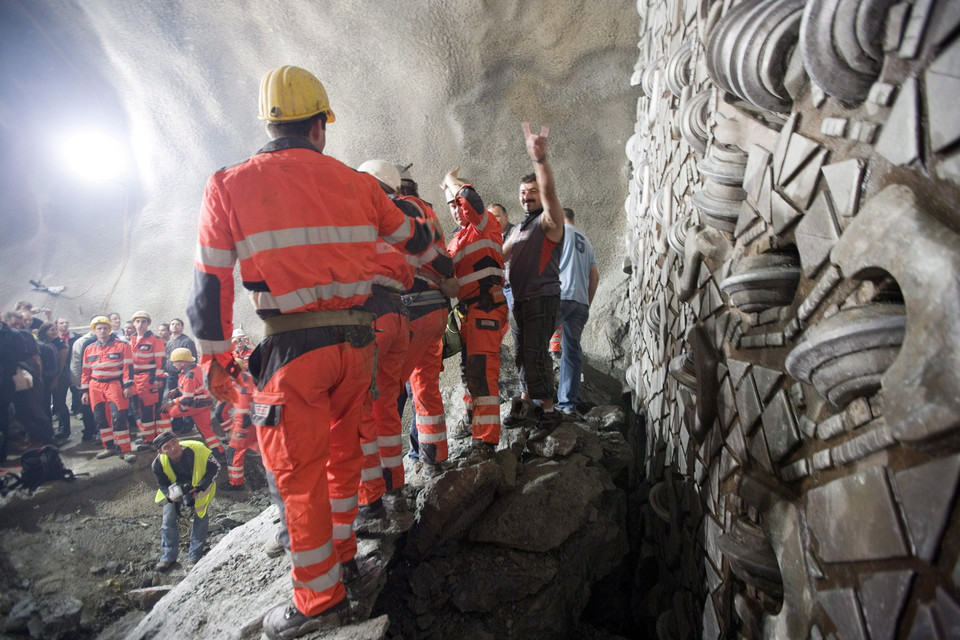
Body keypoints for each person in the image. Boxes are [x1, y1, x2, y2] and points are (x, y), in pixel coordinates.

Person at [185, 65, 438, 639]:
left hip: (291, 350)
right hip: (355, 345)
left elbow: (210, 280)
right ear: (321, 126)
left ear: (270, 125)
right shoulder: (359, 185)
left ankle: (318, 600)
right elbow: (420, 246)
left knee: (298, 479)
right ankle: (345, 559)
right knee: (343, 458)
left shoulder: (228, 184)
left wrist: (214, 357)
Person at [354, 160, 454, 525]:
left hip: (383, 312)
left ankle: (371, 501)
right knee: (414, 390)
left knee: (370, 404)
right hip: (408, 311)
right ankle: (406, 477)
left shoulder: (374, 210)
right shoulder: (420, 214)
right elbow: (443, 265)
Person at [502, 123, 566, 441]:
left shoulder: (548, 221)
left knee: (536, 353)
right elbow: (501, 258)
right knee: (521, 356)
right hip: (520, 300)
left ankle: (549, 412)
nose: (527, 198)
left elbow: (551, 193)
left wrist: (540, 161)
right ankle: (528, 403)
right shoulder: (519, 228)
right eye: (523, 194)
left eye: (532, 193)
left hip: (542, 296)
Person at [441, 167, 509, 465]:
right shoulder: (455, 243)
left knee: (482, 373)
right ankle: (474, 426)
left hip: (486, 308)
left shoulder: (486, 225)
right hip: (470, 313)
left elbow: (470, 198)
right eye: (451, 206)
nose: (457, 209)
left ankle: (487, 440)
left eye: (458, 204)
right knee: (471, 374)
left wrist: (451, 182)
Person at [151, 432, 219, 571]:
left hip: (199, 487)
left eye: (175, 442)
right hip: (175, 489)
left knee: (200, 517)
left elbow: (215, 467)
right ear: (160, 452)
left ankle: (195, 557)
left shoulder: (198, 449)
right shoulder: (157, 463)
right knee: (168, 520)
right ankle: (168, 557)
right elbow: (162, 484)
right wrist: (169, 495)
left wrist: (200, 486)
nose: (174, 448)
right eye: (167, 447)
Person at [555, 208, 599, 415]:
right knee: (572, 352)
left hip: (559, 297)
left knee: (535, 347)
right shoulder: (587, 241)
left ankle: (538, 402)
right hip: (580, 302)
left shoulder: (557, 234)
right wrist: (586, 303)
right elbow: (595, 277)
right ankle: (567, 405)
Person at [80, 316, 136, 461]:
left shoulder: (123, 345)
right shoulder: (88, 349)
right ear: (94, 331)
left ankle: (125, 450)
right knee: (101, 419)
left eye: (105, 328)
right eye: (99, 328)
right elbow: (85, 372)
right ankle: (109, 447)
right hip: (95, 387)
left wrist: (128, 385)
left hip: (114, 385)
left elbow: (128, 367)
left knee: (119, 417)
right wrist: (84, 391)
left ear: (110, 329)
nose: (103, 331)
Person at [1, 312, 54, 461]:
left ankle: (44, 441)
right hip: (9, 379)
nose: (18, 327)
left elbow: (36, 358)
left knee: (32, 409)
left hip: (25, 377)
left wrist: (37, 377)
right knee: (16, 413)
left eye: (20, 324)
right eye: (14, 324)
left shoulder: (23, 336)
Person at [160, 348, 224, 456]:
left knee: (164, 412)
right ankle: (219, 452)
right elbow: (193, 387)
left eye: (175, 362)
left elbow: (187, 399)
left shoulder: (189, 375)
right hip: (205, 403)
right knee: (206, 430)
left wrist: (172, 402)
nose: (173, 364)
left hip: (194, 405)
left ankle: (170, 443)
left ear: (183, 362)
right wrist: (176, 389)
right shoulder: (197, 368)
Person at [130, 311, 170, 445]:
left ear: (148, 323)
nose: (140, 324)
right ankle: (147, 436)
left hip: (149, 378)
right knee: (137, 409)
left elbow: (161, 361)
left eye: (144, 321)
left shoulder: (155, 339)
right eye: (138, 321)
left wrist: (158, 378)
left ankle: (153, 439)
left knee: (149, 409)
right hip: (134, 378)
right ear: (133, 323)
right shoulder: (130, 339)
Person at [222, 360, 258, 491]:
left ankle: (236, 483)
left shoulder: (241, 387)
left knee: (233, 452)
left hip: (245, 425)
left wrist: (238, 431)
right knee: (257, 447)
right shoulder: (249, 379)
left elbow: (243, 413)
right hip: (254, 422)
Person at [163, 319, 198, 434]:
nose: (175, 326)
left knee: (186, 399)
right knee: (173, 398)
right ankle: (177, 424)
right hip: (172, 376)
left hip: (183, 375)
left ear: (182, 327)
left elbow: (193, 360)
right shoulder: (168, 342)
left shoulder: (187, 341)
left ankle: (188, 425)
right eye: (172, 324)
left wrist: (186, 374)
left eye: (178, 324)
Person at [70, 326, 98, 441]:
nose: (102, 331)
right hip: (90, 381)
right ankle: (89, 431)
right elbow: (80, 364)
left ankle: (99, 433)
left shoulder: (115, 342)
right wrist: (80, 383)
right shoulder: (85, 343)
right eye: (98, 328)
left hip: (106, 383)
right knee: (87, 408)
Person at [488, 203, 516, 315]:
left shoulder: (516, 233)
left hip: (515, 289)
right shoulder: (491, 239)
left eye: (497, 216)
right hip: (500, 291)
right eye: (490, 218)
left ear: (506, 216)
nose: (494, 220)